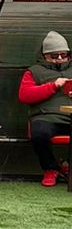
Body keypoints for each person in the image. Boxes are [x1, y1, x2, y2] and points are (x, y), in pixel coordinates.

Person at [19, 31, 72, 185]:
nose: (60, 58)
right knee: (39, 134)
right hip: (46, 116)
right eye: (54, 56)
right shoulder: (34, 72)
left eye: (64, 55)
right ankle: (51, 168)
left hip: (70, 115)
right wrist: (52, 86)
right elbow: (25, 95)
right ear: (44, 56)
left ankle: (68, 166)